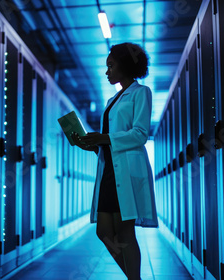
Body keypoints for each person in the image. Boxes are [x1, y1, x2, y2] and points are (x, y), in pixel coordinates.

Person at [72, 43, 158, 280]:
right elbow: (109, 144)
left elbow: (140, 133)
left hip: (127, 172)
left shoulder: (141, 92)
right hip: (109, 171)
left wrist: (105, 138)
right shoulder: (112, 100)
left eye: (111, 65)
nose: (107, 71)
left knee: (125, 232)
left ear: (126, 65)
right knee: (104, 231)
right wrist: (92, 144)